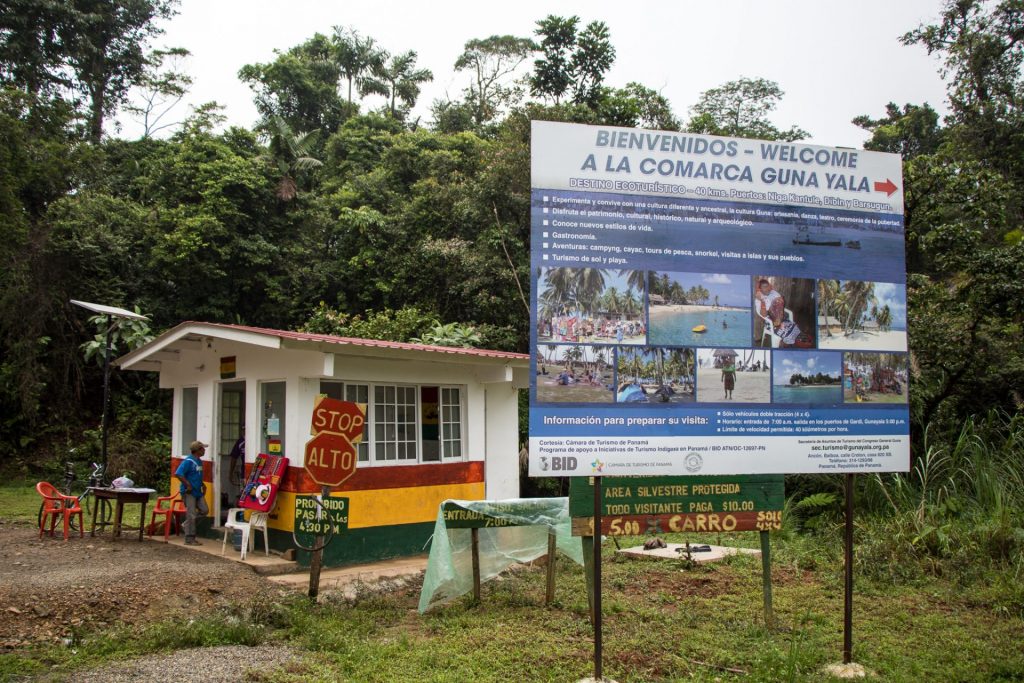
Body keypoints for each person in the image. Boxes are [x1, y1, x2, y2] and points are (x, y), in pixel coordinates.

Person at [175, 440, 209, 545]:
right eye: (202, 449)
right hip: (189, 492)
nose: (204, 450)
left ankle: (187, 524)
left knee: (204, 510)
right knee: (191, 514)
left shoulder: (199, 461)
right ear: (197, 450)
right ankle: (189, 538)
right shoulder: (188, 461)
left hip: (198, 491)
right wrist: (188, 485)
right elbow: (178, 474)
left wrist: (202, 484)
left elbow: (195, 475)